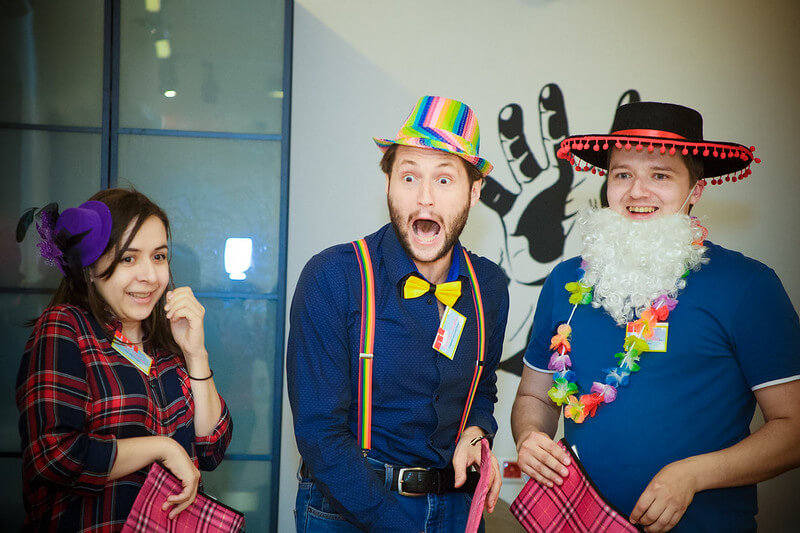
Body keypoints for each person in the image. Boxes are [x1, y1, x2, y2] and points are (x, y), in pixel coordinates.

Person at [510, 101, 800, 532]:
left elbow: (793, 429)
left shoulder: (747, 285)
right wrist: (530, 437)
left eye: (660, 176)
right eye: (622, 174)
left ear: (695, 190)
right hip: (579, 523)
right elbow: (535, 398)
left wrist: (692, 476)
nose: (636, 192)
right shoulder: (566, 280)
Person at [287, 95, 510, 532]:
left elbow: (482, 388)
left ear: (474, 191)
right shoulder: (332, 277)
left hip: (455, 509)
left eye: (444, 179)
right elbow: (319, 432)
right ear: (388, 183)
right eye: (409, 177)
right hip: (350, 507)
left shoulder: (489, 286)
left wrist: (477, 432)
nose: (424, 199)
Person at [16, 188, 232, 532]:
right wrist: (162, 448)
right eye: (128, 259)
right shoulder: (66, 326)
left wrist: (195, 354)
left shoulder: (165, 347)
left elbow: (211, 449)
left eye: (159, 256)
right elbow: (54, 457)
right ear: (89, 268)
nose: (150, 275)